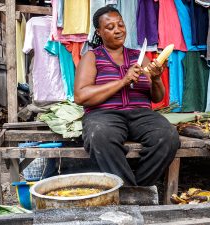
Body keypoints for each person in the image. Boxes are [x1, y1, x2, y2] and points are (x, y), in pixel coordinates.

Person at [74, 6, 180, 186]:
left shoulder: (139, 56)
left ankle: (138, 187)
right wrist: (123, 81)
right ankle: (127, 190)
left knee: (168, 136)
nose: (117, 30)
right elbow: (81, 96)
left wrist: (156, 79)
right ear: (99, 32)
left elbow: (157, 97)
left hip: (141, 115)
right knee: (99, 135)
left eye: (120, 25)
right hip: (104, 115)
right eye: (110, 27)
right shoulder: (92, 57)